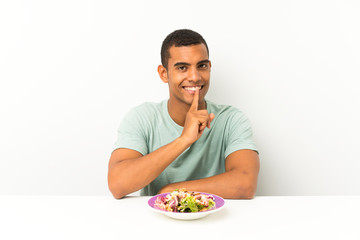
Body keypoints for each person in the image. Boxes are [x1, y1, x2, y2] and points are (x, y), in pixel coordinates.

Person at [108, 29, 260, 199]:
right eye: (182, 68)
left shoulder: (232, 119)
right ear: (164, 73)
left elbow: (245, 184)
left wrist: (172, 191)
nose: (194, 77)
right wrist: (184, 140)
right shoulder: (142, 118)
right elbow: (117, 184)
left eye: (201, 66)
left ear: (209, 67)